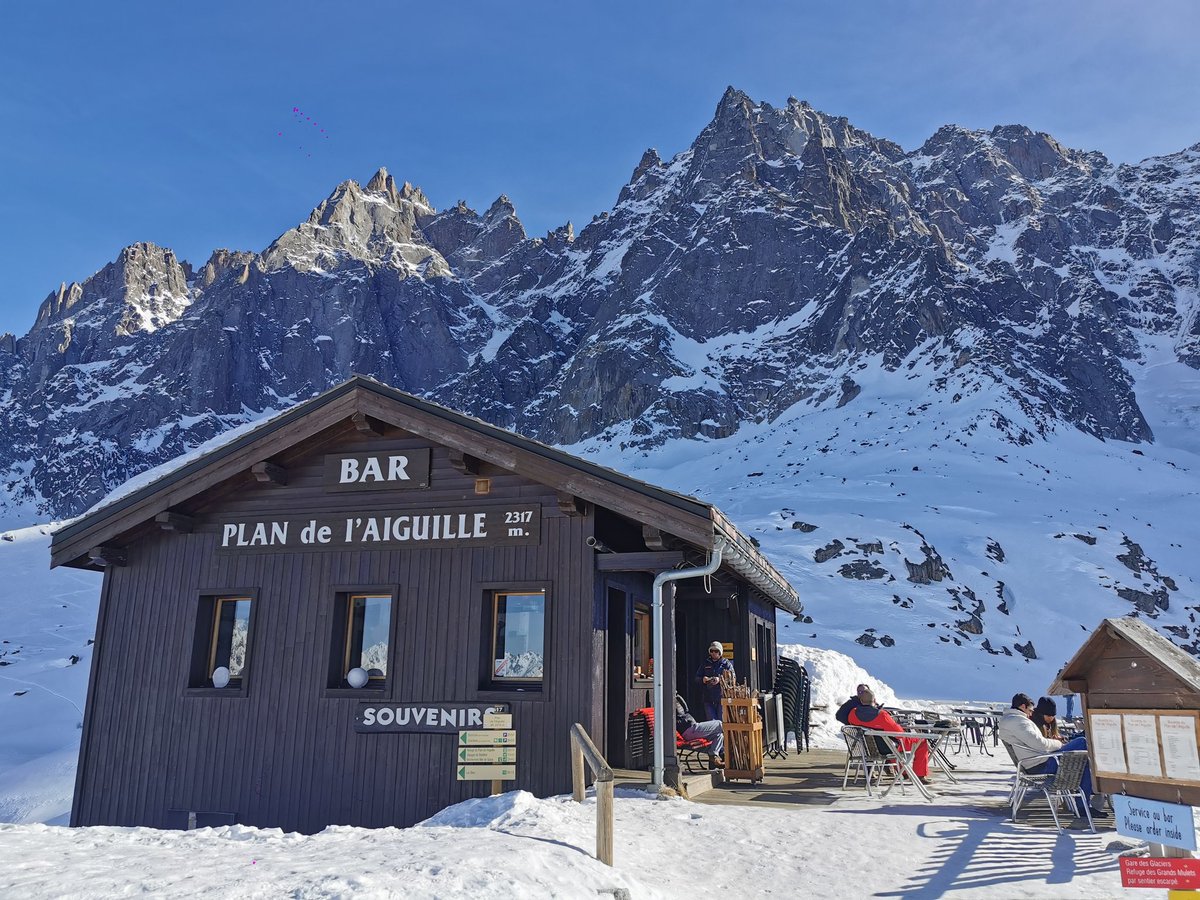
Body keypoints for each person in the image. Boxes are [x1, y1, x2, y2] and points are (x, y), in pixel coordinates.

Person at [848, 687, 931, 782]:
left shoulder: (852, 714)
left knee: (890, 743)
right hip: (886, 748)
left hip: (866, 749)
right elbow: (899, 734)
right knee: (921, 741)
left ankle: (904, 772)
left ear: (861, 700)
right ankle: (920, 775)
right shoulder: (882, 715)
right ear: (874, 700)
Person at [998, 692, 1062, 773]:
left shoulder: (1011, 720)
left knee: (1079, 755)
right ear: (1023, 706)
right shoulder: (1019, 722)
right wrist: (1059, 744)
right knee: (1081, 742)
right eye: (1030, 710)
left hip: (1035, 762)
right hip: (1040, 765)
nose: (1031, 714)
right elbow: (1040, 744)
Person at [675, 693, 724, 768]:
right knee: (719, 724)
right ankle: (727, 754)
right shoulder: (669, 700)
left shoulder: (676, 698)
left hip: (690, 726)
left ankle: (713, 757)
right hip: (688, 729)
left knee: (718, 735)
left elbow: (686, 709)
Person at [694, 641, 734, 721]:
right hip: (708, 697)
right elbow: (697, 678)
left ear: (720, 652)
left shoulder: (726, 663)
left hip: (721, 697)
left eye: (716, 651)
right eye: (711, 651)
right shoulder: (705, 663)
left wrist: (719, 680)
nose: (713, 653)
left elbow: (733, 678)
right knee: (711, 723)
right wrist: (703, 679)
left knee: (721, 722)